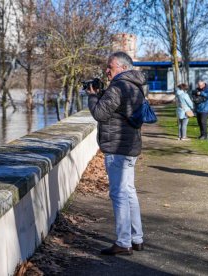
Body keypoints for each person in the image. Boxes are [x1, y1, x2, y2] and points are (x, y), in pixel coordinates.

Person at [87, 52, 144, 256]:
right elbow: (117, 110)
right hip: (131, 147)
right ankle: (137, 238)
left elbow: (100, 114)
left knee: (118, 194)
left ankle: (123, 242)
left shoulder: (118, 86)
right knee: (129, 191)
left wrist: (93, 96)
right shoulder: (134, 86)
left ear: (121, 67)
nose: (106, 70)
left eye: (109, 66)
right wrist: (103, 95)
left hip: (117, 147)